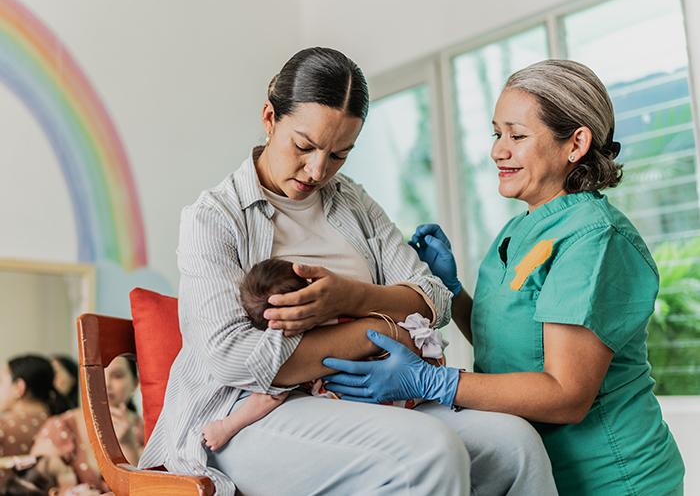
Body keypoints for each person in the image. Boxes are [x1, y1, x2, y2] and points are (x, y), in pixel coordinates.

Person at [139, 47, 557, 496]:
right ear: (269, 117)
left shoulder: (351, 203)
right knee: (428, 451)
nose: (318, 170)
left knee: (516, 444)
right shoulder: (214, 218)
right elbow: (233, 359)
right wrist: (379, 332)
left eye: (339, 154)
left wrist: (351, 299)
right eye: (304, 146)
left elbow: (432, 298)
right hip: (248, 414)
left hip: (369, 393)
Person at [323, 59, 686, 495]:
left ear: (576, 143)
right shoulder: (519, 228)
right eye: (497, 133)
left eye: (517, 135)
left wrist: (432, 381)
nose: (498, 150)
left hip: (612, 478)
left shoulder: (595, 239)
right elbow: (514, 350)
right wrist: (454, 293)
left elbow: (567, 394)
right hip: (538, 469)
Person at [201, 258, 446, 451]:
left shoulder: (300, 354)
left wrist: (226, 426)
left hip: (366, 411)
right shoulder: (350, 315)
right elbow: (417, 332)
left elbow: (269, 398)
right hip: (412, 393)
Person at [31, 356, 144, 493]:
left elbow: (145, 490)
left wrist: (127, 444)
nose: (106, 383)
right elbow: (35, 484)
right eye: (97, 374)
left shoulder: (149, 430)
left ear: (135, 384)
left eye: (117, 376)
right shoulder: (60, 426)